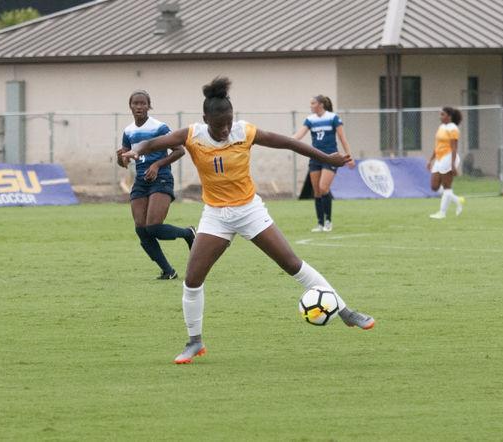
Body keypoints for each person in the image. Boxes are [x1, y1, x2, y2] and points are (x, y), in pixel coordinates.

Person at [123, 77, 375, 364]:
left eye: (229, 123)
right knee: (192, 280)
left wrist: (326, 158)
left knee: (293, 265)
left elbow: (288, 143)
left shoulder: (244, 131)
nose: (226, 129)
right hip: (216, 216)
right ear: (206, 120)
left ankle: (346, 313)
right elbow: (155, 142)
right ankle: (194, 342)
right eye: (220, 126)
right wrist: (136, 151)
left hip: (249, 211)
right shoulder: (192, 134)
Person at [116, 90, 196, 280]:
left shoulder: (159, 127)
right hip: (141, 181)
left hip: (161, 178)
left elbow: (179, 151)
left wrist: (157, 164)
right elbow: (125, 162)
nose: (139, 107)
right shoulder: (128, 132)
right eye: (135, 103)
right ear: (130, 106)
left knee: (153, 227)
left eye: (143, 103)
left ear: (149, 106)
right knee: (141, 229)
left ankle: (188, 233)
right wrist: (120, 157)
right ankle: (168, 271)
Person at [293, 95, 355, 232]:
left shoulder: (333, 118)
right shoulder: (310, 119)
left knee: (323, 188)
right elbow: (298, 136)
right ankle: (320, 224)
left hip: (331, 157)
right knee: (317, 191)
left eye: (313, 103)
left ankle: (328, 222)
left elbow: (342, 138)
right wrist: (284, 142)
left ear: (320, 104)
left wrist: (349, 157)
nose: (311, 106)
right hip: (315, 158)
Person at [427, 107, 465, 219]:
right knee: (434, 186)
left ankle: (442, 213)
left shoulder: (453, 129)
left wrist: (453, 165)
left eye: (442, 114)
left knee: (447, 187)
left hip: (448, 157)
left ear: (449, 116)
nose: (440, 116)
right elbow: (437, 145)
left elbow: (454, 148)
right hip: (439, 158)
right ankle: (457, 200)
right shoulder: (441, 127)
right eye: (440, 114)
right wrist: (430, 159)